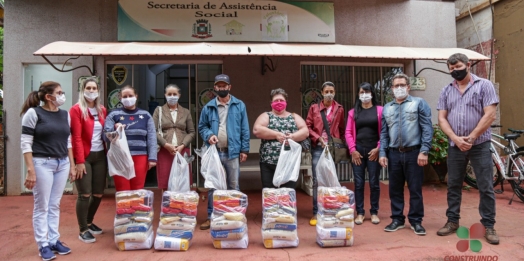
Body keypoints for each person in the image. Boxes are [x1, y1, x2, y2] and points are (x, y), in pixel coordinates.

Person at [436, 53, 499, 244]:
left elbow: (490, 115)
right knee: (453, 185)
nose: (455, 71)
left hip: (479, 145)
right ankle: (452, 221)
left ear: (468, 65)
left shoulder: (484, 85)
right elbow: (441, 118)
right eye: (451, 68)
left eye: (458, 66)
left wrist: (471, 137)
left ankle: (488, 225)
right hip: (456, 146)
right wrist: (455, 138)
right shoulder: (446, 90)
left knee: (485, 186)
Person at [21, 81, 74, 260]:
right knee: (42, 205)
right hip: (42, 163)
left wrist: (72, 165)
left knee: (54, 204)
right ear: (48, 97)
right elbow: (26, 143)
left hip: (62, 163)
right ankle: (42, 244)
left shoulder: (64, 115)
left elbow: (68, 142)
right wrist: (30, 169)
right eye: (59, 92)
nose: (62, 95)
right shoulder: (33, 113)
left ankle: (53, 240)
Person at [379, 73, 432, 236]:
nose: (399, 88)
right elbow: (384, 133)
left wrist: (424, 151)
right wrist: (382, 152)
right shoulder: (387, 108)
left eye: (402, 85)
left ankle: (416, 221)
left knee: (415, 189)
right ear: (392, 89)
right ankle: (397, 219)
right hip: (394, 154)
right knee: (394, 189)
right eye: (396, 86)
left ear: (408, 87)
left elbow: (427, 128)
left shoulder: (419, 103)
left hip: (414, 153)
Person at [198, 74, 250, 230]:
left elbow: (244, 129)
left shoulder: (239, 105)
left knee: (234, 186)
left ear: (229, 87)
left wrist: (244, 149)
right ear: (215, 88)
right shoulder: (208, 107)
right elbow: (202, 127)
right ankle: (211, 216)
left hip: (233, 152)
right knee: (214, 186)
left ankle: (236, 215)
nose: (222, 88)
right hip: (215, 152)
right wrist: (209, 135)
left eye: (224, 85)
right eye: (219, 86)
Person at [69, 78, 107, 243]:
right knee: (85, 194)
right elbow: (76, 137)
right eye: (88, 88)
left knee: (98, 193)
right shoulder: (76, 110)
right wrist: (79, 161)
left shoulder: (102, 110)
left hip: (100, 156)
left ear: (98, 91)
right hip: (84, 156)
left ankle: (89, 222)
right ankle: (82, 229)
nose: (91, 91)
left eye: (94, 88)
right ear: (83, 90)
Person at [305, 81, 346, 226]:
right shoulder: (314, 108)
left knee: (332, 179)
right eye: (327, 91)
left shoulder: (339, 108)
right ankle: (316, 211)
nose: (329, 93)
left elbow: (341, 129)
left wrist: (340, 144)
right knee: (317, 180)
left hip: (332, 149)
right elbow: (307, 127)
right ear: (322, 93)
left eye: (332, 91)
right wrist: (318, 138)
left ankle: (331, 209)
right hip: (318, 148)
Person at [103, 85, 157, 191]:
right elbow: (105, 137)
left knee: (138, 189)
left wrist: (152, 158)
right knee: (122, 190)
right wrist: (115, 128)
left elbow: (152, 137)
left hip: (140, 157)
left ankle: (136, 208)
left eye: (130, 95)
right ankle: (123, 208)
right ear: (120, 98)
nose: (128, 98)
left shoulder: (146, 115)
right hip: (119, 157)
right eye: (125, 96)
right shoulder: (113, 115)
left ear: (136, 96)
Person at [254, 88, 309, 188]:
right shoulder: (266, 116)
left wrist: (293, 136)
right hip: (268, 162)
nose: (279, 102)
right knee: (269, 194)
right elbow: (257, 130)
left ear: (286, 102)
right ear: (271, 103)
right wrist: (276, 135)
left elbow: (305, 131)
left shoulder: (294, 116)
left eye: (281, 100)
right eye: (276, 100)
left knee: (287, 194)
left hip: (289, 163)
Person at [346, 82, 384, 225]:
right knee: (359, 183)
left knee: (374, 183)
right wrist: (353, 150)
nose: (364, 95)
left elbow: (384, 132)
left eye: (367, 92)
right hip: (358, 152)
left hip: (374, 151)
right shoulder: (353, 112)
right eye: (361, 92)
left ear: (372, 93)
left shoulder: (380, 110)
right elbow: (348, 132)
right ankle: (360, 212)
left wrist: (379, 148)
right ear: (358, 95)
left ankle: (374, 212)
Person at [153, 84, 195, 190]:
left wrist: (182, 145)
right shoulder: (159, 111)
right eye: (169, 94)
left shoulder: (186, 112)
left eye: (174, 94)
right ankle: (167, 205)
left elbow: (191, 132)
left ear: (179, 95)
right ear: (165, 95)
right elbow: (153, 131)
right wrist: (165, 144)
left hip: (182, 150)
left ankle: (181, 205)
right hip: (164, 150)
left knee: (183, 182)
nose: (172, 96)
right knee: (166, 182)